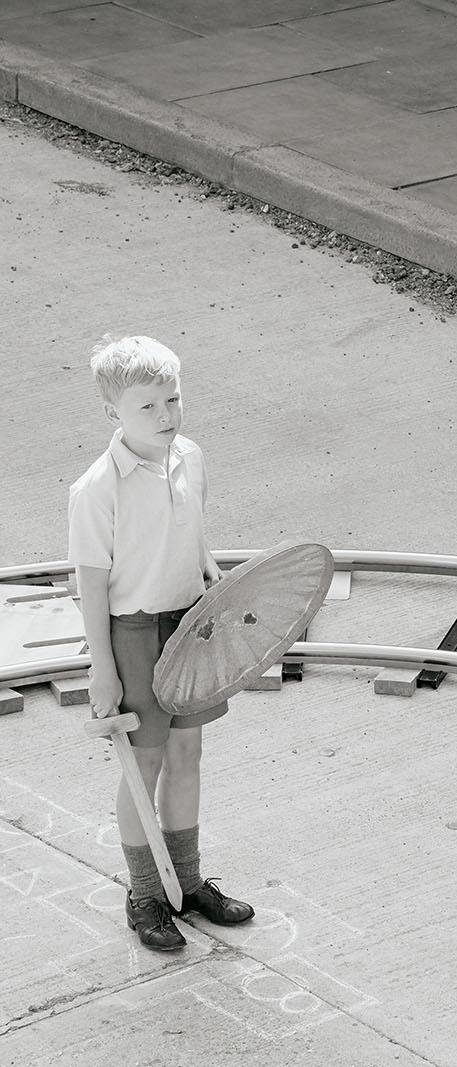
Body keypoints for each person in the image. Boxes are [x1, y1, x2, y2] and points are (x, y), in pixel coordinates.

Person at [68, 335, 255, 951]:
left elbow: (192, 525)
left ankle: (191, 881)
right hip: (134, 634)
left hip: (188, 624)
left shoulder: (190, 455)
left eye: (173, 399)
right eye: (147, 407)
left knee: (186, 756)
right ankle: (147, 892)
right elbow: (92, 585)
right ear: (112, 412)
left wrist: (207, 569)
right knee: (142, 762)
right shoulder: (96, 489)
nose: (166, 416)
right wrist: (104, 669)